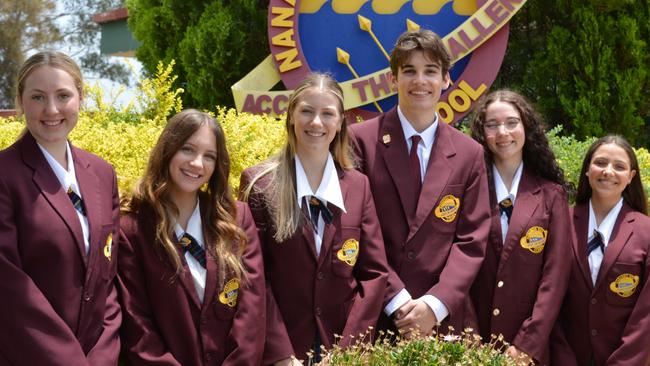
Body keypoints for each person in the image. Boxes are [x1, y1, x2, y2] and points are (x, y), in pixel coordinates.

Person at [240, 73, 389, 365]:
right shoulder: (260, 184)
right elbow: (251, 277)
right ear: (291, 116)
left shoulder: (358, 186)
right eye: (307, 111)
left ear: (340, 122)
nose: (316, 122)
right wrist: (281, 354)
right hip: (283, 353)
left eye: (327, 114)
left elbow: (374, 275)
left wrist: (347, 352)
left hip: (342, 352)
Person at [349, 29, 490, 336]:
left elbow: (472, 240)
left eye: (430, 71)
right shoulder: (360, 141)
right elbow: (354, 230)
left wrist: (435, 305)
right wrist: (398, 300)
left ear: (445, 79)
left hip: (444, 321)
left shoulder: (469, 153)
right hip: (378, 315)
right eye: (409, 71)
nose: (420, 81)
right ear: (393, 79)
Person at [117, 109, 266, 365]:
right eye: (188, 149)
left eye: (209, 156)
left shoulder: (236, 219)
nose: (197, 163)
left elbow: (252, 307)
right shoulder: (132, 229)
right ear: (168, 150)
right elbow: (137, 323)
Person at [0, 51, 120, 364]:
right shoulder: (4, 174)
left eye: (63, 95)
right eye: (38, 97)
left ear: (80, 97)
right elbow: (9, 287)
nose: (51, 109)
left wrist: (102, 357)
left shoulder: (102, 173)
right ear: (21, 101)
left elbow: (107, 278)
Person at [468, 90, 572, 365]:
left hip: (529, 351)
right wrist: (469, 341)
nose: (503, 132)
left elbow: (556, 277)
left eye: (512, 122)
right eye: (492, 125)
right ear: (482, 132)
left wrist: (527, 345)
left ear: (527, 127)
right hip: (473, 345)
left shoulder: (552, 196)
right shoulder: (468, 191)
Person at [551, 135, 650, 366]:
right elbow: (545, 296)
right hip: (564, 357)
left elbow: (646, 315)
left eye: (619, 167)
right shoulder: (560, 221)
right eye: (600, 163)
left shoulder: (646, 232)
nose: (608, 172)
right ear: (587, 169)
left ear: (631, 176)